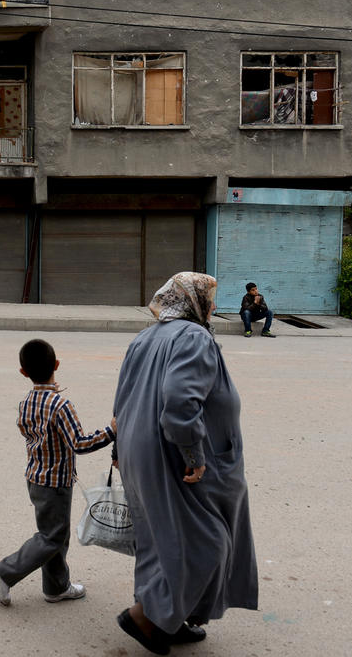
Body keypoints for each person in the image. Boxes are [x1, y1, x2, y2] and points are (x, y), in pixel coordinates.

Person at [112, 273, 258, 655]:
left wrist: (118, 449)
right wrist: (193, 454)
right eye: (209, 297)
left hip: (139, 450)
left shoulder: (145, 337)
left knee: (159, 540)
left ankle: (171, 619)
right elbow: (180, 402)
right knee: (207, 543)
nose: (213, 306)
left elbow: (123, 396)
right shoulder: (194, 337)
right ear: (193, 300)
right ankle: (145, 617)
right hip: (172, 455)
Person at [0, 338, 116, 607]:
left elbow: (27, 432)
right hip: (56, 482)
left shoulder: (26, 402)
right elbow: (79, 443)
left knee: (56, 534)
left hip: (36, 477)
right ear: (56, 364)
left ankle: (56, 587)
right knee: (51, 537)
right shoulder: (60, 405)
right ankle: (3, 573)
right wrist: (111, 431)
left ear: (23, 372)